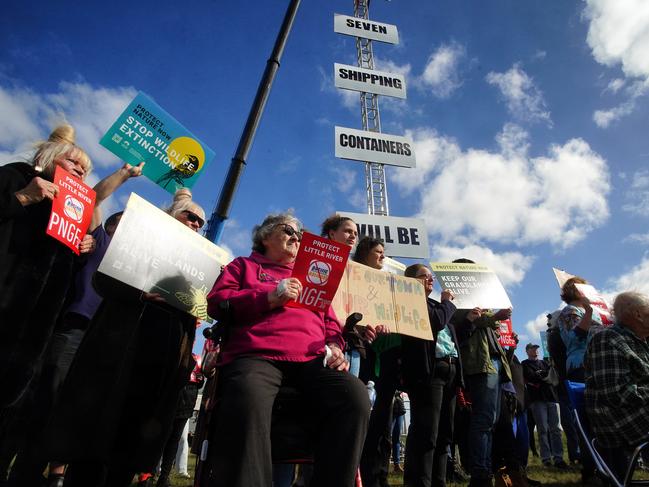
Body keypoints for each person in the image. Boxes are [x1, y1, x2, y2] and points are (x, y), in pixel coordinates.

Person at [42, 190, 206, 487]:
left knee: (132, 439)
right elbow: (101, 281)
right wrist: (139, 293)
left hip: (160, 358)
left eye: (200, 222)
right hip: (117, 347)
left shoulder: (198, 267)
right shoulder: (140, 238)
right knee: (96, 432)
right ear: (171, 215)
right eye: (190, 215)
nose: (196, 223)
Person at [4, 162, 144, 487]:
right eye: (128, 226)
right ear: (109, 227)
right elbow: (92, 200)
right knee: (43, 401)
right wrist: (124, 174)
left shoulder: (136, 266)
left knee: (74, 411)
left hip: (104, 343)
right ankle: (19, 472)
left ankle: (51, 474)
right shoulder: (99, 240)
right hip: (74, 332)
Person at [205, 213, 370, 487]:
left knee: (354, 396)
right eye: (288, 230)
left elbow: (330, 321)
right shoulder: (243, 266)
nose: (296, 237)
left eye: (299, 233)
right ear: (265, 236)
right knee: (247, 393)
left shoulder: (311, 275)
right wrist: (268, 297)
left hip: (311, 360)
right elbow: (218, 302)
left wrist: (335, 345)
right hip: (256, 355)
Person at [0, 124, 95, 410]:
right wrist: (23, 198)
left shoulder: (73, 211)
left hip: (34, 330)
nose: (79, 171)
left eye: (84, 169)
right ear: (47, 157)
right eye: (72, 161)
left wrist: (81, 251)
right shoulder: (14, 176)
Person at [451, 258, 512, 487]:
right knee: (483, 419)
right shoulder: (458, 301)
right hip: (478, 364)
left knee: (491, 420)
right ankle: (480, 473)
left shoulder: (482, 300)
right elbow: (463, 323)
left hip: (494, 362)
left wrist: (496, 316)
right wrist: (493, 317)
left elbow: (490, 326)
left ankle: (485, 469)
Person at [400, 263, 460, 487]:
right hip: (429, 373)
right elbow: (436, 321)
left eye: (430, 276)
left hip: (450, 371)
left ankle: (439, 480)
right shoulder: (413, 303)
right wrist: (448, 303)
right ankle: (419, 481)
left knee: (445, 433)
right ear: (412, 281)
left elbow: (450, 333)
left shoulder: (436, 305)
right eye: (424, 276)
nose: (430, 279)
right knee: (428, 432)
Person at [584, 291, 649, 481]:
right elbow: (618, 395)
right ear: (638, 314)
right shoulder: (608, 338)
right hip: (622, 420)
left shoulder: (640, 341)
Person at [156, 354, 204, 487]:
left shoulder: (197, 359)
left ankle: (164, 476)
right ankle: (149, 472)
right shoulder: (177, 352)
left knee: (175, 438)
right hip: (171, 396)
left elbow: (199, 383)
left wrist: (200, 380)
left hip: (187, 399)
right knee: (162, 437)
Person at [521, 344, 566, 469]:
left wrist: (542, 376)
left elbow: (552, 377)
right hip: (537, 400)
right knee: (542, 430)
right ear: (527, 351)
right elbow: (532, 377)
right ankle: (546, 458)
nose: (535, 350)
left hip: (552, 397)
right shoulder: (524, 364)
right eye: (532, 348)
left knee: (556, 429)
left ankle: (558, 458)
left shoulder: (545, 362)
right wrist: (544, 376)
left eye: (536, 348)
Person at [556, 277, 602, 382]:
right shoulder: (569, 310)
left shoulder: (595, 312)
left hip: (599, 360)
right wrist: (588, 312)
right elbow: (576, 338)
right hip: (582, 364)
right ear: (576, 291)